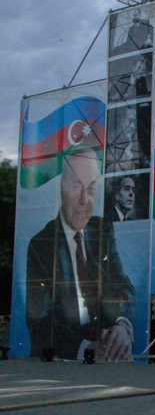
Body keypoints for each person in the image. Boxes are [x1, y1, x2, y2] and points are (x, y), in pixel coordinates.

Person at [25, 147, 137, 361]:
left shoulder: (102, 231)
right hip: (62, 359)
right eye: (77, 187)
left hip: (106, 350)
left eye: (92, 188)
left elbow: (124, 286)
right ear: (62, 188)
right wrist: (87, 349)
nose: (85, 200)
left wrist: (122, 327)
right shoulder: (41, 244)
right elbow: (39, 320)